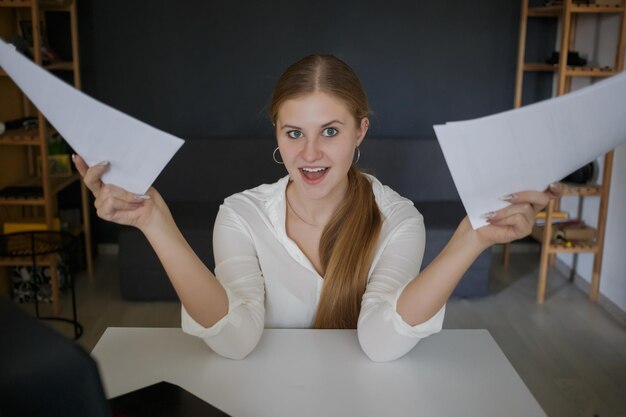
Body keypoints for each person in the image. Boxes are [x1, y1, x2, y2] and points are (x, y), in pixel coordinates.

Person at [73, 55, 562, 362]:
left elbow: (382, 343)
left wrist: (471, 238)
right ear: (277, 136)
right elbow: (234, 340)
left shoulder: (397, 220)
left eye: (330, 131)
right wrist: (155, 223)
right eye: (294, 133)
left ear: (360, 131)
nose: (310, 154)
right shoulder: (241, 214)